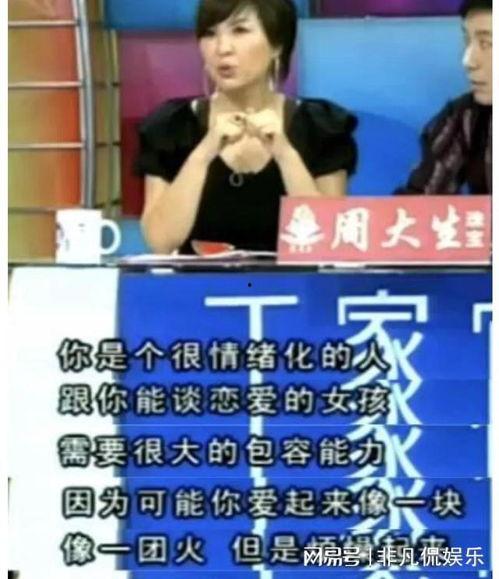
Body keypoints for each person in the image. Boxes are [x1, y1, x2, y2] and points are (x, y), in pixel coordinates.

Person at [137, 0, 358, 254]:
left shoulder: (320, 127)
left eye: (240, 30)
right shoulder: (172, 126)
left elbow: (329, 241)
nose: (222, 48)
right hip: (199, 280)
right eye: (210, 33)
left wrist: (285, 154)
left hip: (293, 280)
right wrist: (203, 154)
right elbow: (160, 241)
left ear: (277, 44)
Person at [397, 0, 492, 195]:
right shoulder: (465, 117)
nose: (468, 61)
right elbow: (422, 202)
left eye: (486, 44)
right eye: (467, 41)